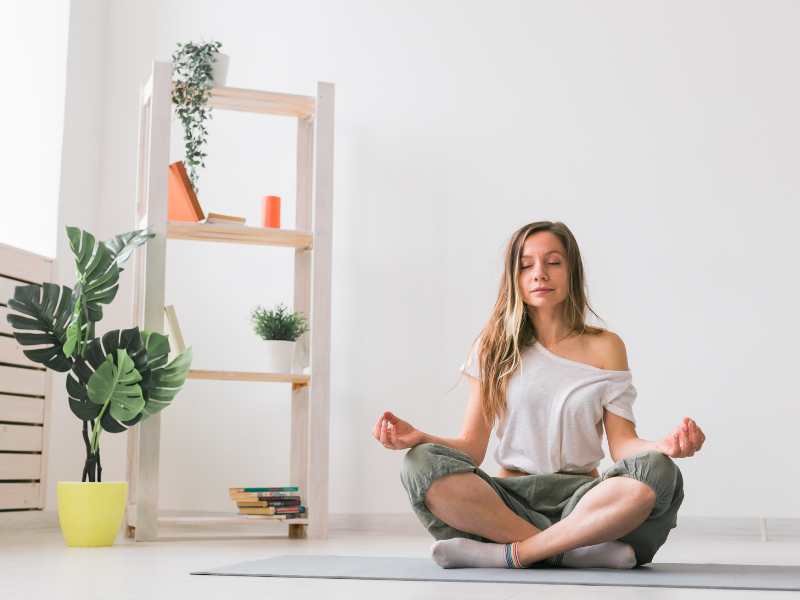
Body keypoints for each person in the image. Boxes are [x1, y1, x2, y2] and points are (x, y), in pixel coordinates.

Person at [372, 220, 705, 570]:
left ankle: (513, 553)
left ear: (571, 272)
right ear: (513, 278)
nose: (539, 274)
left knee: (659, 471)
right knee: (419, 463)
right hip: (507, 501)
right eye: (526, 265)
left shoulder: (606, 347)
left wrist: (664, 447)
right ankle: (572, 550)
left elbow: (622, 446)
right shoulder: (494, 346)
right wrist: (418, 438)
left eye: (553, 262)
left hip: (585, 501)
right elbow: (472, 448)